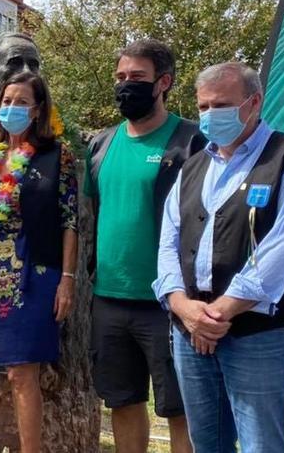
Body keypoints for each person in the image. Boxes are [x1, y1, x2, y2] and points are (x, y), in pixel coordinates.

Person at [154, 62, 284, 453]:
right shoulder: (192, 167)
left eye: (220, 105)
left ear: (253, 102)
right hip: (190, 331)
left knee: (264, 445)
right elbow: (168, 244)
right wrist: (183, 307)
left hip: (258, 335)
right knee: (207, 444)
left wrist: (219, 313)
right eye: (203, 107)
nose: (209, 116)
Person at [85, 39, 203, 453]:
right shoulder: (100, 145)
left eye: (137, 77)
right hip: (109, 298)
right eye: (120, 77)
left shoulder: (193, 141)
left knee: (181, 408)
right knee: (122, 401)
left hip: (171, 302)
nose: (125, 85)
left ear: (163, 82)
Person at [0, 72, 77, 453]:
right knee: (12, 372)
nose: (11, 108)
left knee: (21, 373)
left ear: (37, 110)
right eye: (6, 101)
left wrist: (67, 279)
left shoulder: (55, 156)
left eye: (20, 102)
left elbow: (69, 219)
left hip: (37, 271)